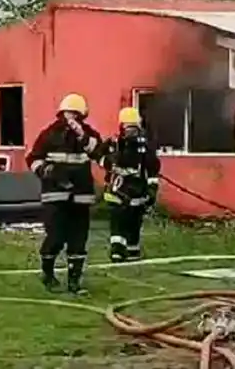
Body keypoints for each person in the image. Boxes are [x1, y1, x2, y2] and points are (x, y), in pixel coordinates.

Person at [26, 93, 103, 294]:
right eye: (68, 115)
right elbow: (33, 158)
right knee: (56, 237)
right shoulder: (49, 134)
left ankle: (74, 282)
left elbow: (98, 153)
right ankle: (48, 274)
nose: (71, 119)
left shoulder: (87, 134)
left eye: (75, 115)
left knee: (78, 240)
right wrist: (45, 171)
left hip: (81, 196)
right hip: (55, 196)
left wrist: (82, 135)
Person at [100, 107, 160, 262]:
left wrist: (152, 188)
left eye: (133, 128)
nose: (131, 132)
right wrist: (109, 164)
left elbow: (152, 168)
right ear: (122, 127)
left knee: (134, 221)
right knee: (118, 221)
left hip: (137, 189)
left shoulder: (144, 147)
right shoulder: (113, 143)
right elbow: (99, 155)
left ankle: (133, 250)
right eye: (128, 128)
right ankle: (118, 250)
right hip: (117, 188)